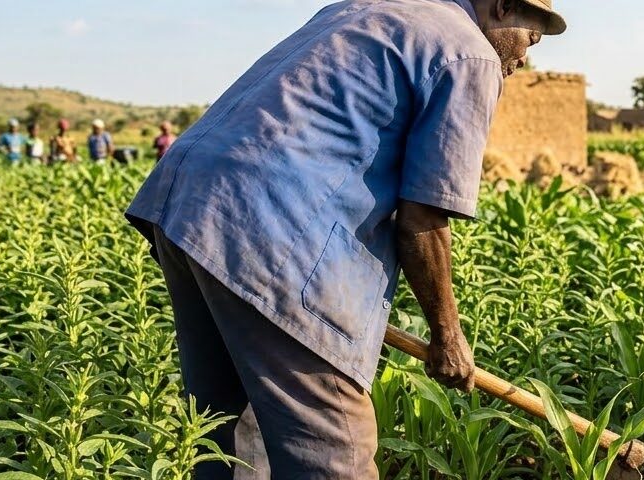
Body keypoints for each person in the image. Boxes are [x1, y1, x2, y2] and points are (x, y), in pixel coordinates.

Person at [124, 0, 566, 478]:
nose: (525, 58)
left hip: (188, 207)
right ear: (501, 7)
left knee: (226, 438)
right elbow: (423, 217)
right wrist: (447, 335)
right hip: (273, 231)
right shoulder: (469, 52)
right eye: (531, 39)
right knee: (335, 455)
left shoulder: (366, 8)